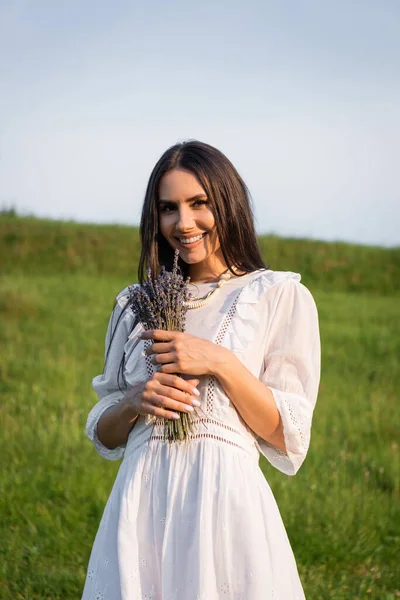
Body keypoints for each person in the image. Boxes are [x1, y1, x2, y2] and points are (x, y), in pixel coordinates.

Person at [81, 140, 321, 599]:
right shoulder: (135, 304)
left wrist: (219, 362)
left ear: (227, 203)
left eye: (199, 203)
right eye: (168, 208)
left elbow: (287, 435)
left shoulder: (276, 296)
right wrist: (135, 402)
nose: (183, 223)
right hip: (142, 503)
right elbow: (105, 434)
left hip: (225, 506)